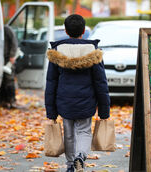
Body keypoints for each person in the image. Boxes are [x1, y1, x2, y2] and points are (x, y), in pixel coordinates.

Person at [45, 14, 110, 172]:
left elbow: (51, 83)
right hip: (86, 101)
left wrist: (51, 111)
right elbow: (101, 83)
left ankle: (70, 166)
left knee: (69, 134)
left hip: (64, 102)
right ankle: (80, 156)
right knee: (84, 131)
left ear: (66, 31)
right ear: (83, 31)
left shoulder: (57, 52)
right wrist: (104, 110)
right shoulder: (93, 52)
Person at [0, 25, 18, 108]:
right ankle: (3, 101)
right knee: (2, 80)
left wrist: (12, 55)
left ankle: (12, 100)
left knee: (9, 79)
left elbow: (14, 43)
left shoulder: (7, 29)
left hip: (8, 59)